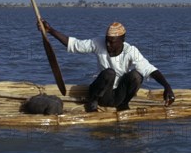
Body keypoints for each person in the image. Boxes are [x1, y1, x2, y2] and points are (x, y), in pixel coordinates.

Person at [40, 20, 175, 112]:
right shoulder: (98, 43)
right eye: (107, 41)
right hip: (101, 93)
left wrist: (167, 87)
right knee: (109, 73)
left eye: (112, 42)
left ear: (122, 40)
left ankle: (123, 104)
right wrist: (50, 30)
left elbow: (149, 69)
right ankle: (92, 103)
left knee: (137, 75)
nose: (108, 45)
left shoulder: (131, 51)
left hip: (118, 95)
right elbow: (74, 44)